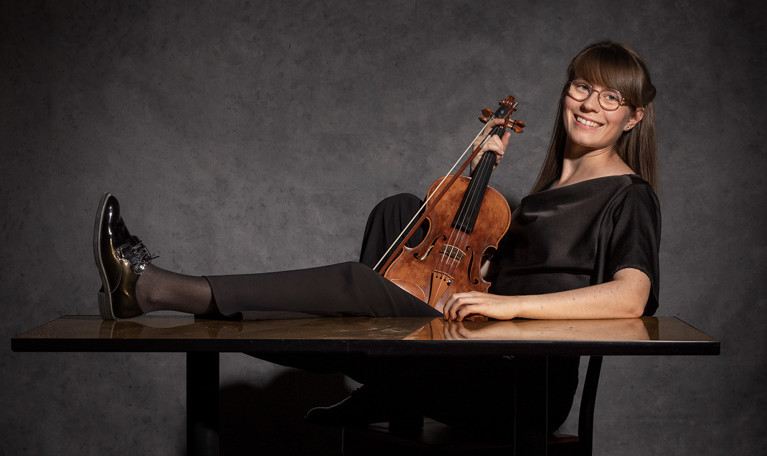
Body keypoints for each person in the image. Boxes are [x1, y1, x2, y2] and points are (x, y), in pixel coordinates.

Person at [93, 41, 660, 436]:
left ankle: (153, 288)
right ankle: (380, 376)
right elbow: (477, 275)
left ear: (632, 118)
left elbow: (630, 296)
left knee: (356, 286)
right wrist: (472, 184)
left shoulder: (626, 194)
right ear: (568, 91)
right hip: (479, 353)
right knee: (401, 212)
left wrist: (508, 308)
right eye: (583, 87)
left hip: (519, 386)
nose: (591, 105)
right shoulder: (537, 199)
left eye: (612, 98)